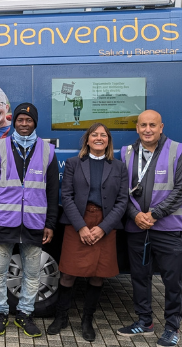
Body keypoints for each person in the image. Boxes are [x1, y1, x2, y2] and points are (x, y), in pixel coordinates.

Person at [0, 103, 59, 338]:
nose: (24, 124)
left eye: (29, 120)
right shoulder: (0, 148)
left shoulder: (47, 151)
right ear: (14, 122)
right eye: (20, 120)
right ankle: (1, 313)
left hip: (35, 223)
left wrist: (50, 223)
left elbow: (54, 192)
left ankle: (25, 314)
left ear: (35, 123)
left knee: (33, 274)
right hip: (4, 220)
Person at [47, 123, 128, 341]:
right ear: (88, 139)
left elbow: (122, 201)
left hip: (105, 224)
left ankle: (87, 321)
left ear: (108, 140)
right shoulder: (74, 164)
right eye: (95, 134)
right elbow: (67, 196)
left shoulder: (119, 167)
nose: (99, 138)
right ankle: (61, 317)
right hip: (78, 223)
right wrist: (81, 227)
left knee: (98, 276)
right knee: (68, 273)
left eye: (103, 135)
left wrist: (102, 228)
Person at [116, 110, 182, 347]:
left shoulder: (178, 151)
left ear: (161, 127)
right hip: (137, 227)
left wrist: (154, 214)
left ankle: (171, 327)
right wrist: (135, 215)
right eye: (143, 125)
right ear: (137, 128)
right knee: (139, 276)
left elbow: (181, 190)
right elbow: (121, 192)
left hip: (168, 228)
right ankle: (144, 321)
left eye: (153, 125)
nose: (148, 129)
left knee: (172, 280)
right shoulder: (126, 153)